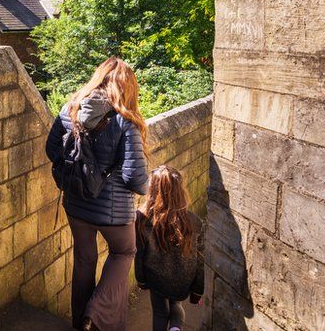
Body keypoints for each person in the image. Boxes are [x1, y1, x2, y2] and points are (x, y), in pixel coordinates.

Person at [45, 56, 149, 331]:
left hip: (76, 204)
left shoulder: (70, 110)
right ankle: (95, 313)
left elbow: (51, 150)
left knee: (84, 260)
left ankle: (80, 323)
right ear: (127, 87)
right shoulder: (125, 121)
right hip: (113, 212)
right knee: (124, 252)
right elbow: (136, 180)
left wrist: (78, 171)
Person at [134, 166, 205, 331]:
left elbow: (139, 253)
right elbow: (200, 259)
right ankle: (175, 328)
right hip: (183, 279)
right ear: (180, 190)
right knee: (176, 305)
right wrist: (197, 291)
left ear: (153, 190)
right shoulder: (195, 221)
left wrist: (141, 280)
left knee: (160, 312)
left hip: (156, 278)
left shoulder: (143, 219)